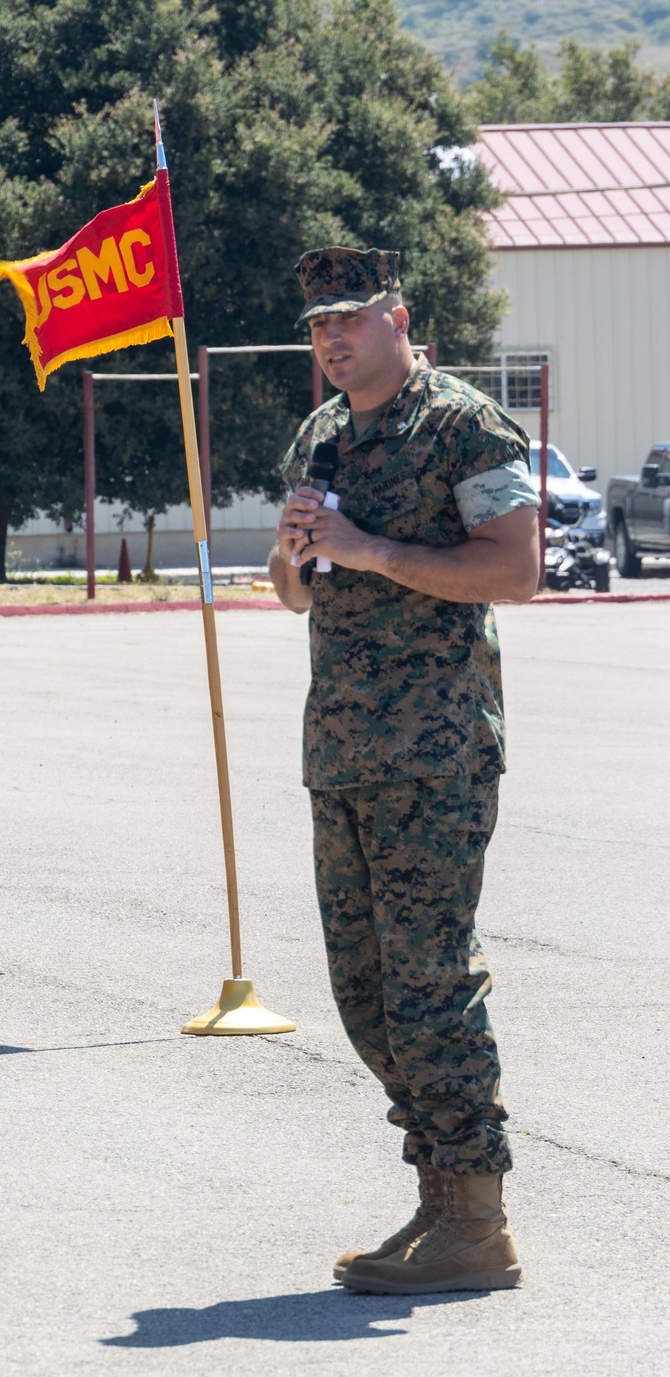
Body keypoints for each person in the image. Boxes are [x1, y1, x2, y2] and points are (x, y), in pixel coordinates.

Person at [269, 245, 540, 1295]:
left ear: (397, 314)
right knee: (367, 989)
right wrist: (296, 554)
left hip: (433, 746)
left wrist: (369, 546)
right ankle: (437, 1202)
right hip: (340, 747)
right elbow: (295, 594)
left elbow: (515, 570)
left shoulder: (464, 422)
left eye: (349, 318)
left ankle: (478, 1217)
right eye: (318, 328)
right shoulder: (325, 432)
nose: (332, 341)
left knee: (429, 979)